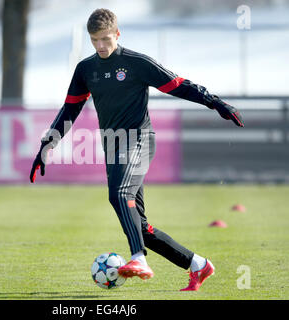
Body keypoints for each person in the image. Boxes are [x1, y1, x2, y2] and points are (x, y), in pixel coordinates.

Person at [30, 8, 244, 291]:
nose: (101, 46)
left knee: (119, 194)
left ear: (117, 34)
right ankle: (198, 264)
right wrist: (48, 144)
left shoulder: (137, 63)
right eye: (95, 40)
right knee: (140, 226)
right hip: (113, 145)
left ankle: (138, 258)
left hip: (139, 139)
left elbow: (178, 85)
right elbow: (70, 108)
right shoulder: (85, 69)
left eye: (106, 39)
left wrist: (215, 102)